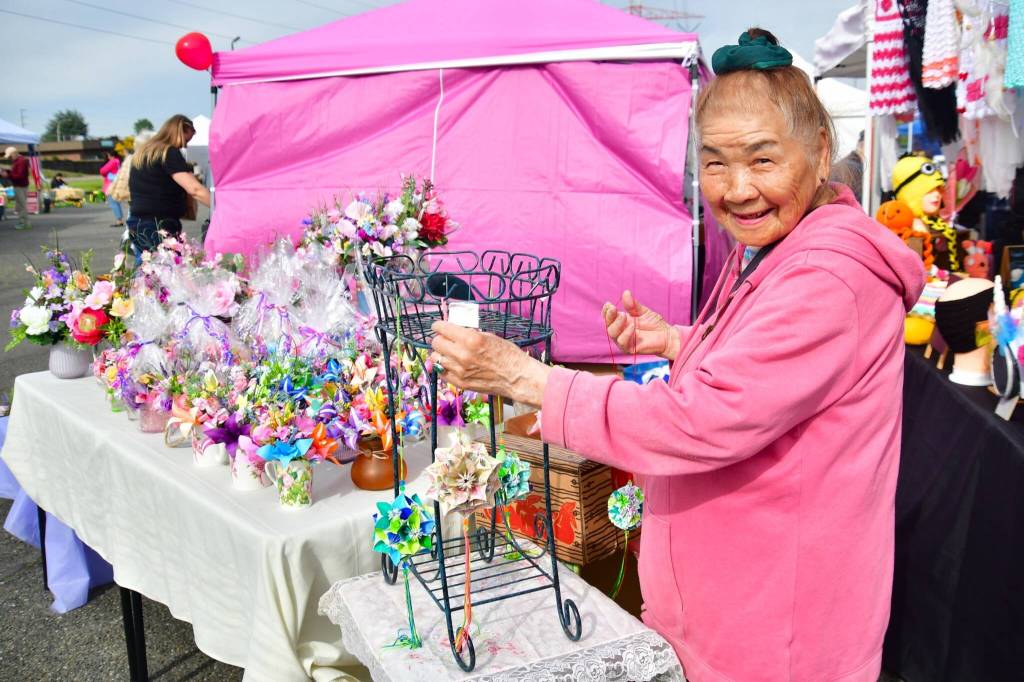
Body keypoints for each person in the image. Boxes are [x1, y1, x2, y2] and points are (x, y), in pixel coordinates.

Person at [426, 29, 926, 682]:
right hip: (737, 618)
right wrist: (677, 341)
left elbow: (700, 419)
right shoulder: (787, 241)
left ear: (820, 150)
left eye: (762, 160)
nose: (737, 188)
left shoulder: (829, 277)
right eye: (715, 162)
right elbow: (766, 364)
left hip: (778, 642)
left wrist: (526, 379)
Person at [127, 115, 210, 256]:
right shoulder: (169, 153)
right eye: (187, 138)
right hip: (159, 224)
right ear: (181, 131)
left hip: (138, 221)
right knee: (167, 271)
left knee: (146, 269)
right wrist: (220, 207)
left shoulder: (145, 152)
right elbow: (194, 189)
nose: (185, 145)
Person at [2, 146, 30, 230]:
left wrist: (8, 175)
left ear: (14, 153)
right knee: (20, 204)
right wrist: (8, 171)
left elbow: (19, 176)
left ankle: (24, 223)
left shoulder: (20, 161)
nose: (10, 158)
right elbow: (18, 173)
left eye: (10, 156)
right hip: (22, 185)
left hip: (20, 185)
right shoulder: (21, 160)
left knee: (22, 205)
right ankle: (23, 222)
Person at [98, 151, 124, 228]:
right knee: (117, 202)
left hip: (110, 185)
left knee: (113, 202)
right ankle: (120, 219)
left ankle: (119, 220)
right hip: (117, 183)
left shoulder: (113, 161)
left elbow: (103, 171)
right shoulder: (119, 162)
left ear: (110, 155)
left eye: (108, 156)